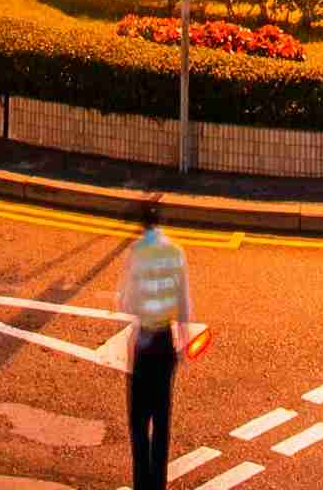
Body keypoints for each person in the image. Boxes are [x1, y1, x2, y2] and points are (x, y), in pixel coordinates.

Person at [119, 204, 199, 490]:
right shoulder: (176, 252)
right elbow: (184, 304)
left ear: (143, 225)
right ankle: (159, 485)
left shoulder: (137, 252)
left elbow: (126, 302)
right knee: (162, 418)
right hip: (166, 343)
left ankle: (142, 483)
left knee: (139, 421)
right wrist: (183, 345)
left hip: (143, 342)